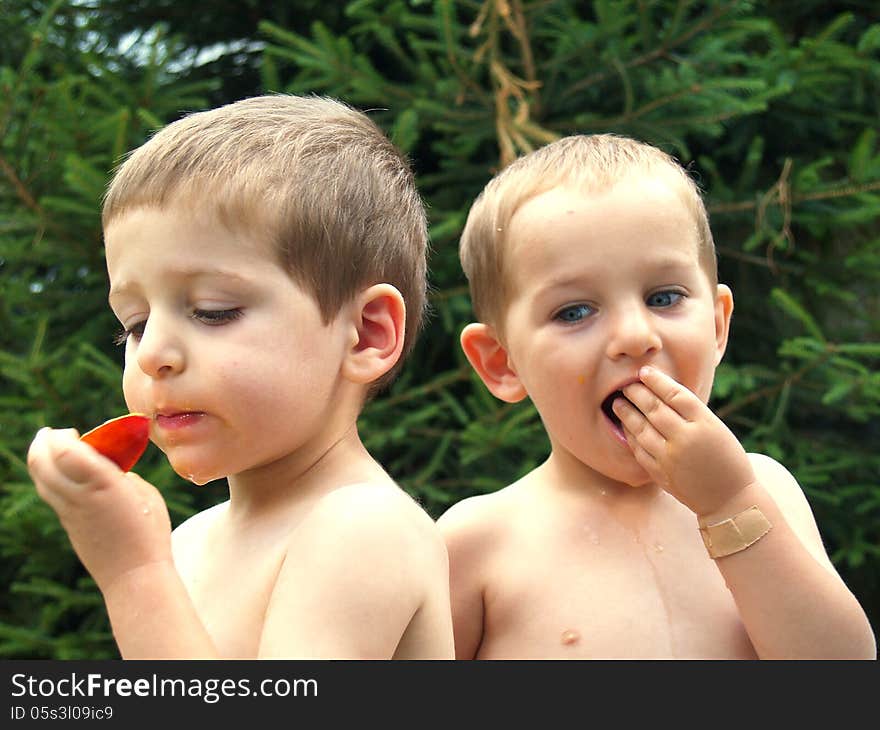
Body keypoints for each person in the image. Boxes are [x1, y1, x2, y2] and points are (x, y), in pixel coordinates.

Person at [26, 94, 454, 659]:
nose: (153, 352)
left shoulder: (363, 528)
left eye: (212, 310)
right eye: (133, 323)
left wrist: (133, 575)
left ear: (367, 335)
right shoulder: (189, 543)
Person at [438, 133, 876, 659]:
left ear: (717, 326)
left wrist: (729, 505)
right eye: (574, 311)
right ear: (502, 363)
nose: (635, 336)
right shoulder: (480, 542)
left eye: (664, 297)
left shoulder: (763, 492)